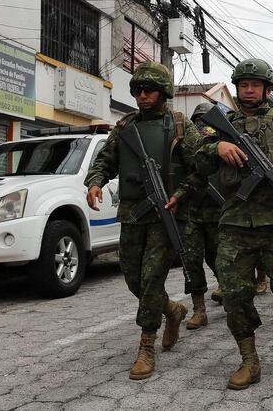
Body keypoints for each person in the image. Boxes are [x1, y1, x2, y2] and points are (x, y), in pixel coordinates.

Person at [195, 58, 273, 390]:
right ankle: (249, 360)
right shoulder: (222, 123)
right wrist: (217, 145)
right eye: (243, 85)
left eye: (255, 84)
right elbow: (195, 156)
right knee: (235, 295)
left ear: (268, 88)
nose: (248, 90)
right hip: (236, 223)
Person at [85, 62, 203, 380]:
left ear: (162, 92)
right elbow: (105, 160)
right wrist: (95, 181)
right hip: (133, 215)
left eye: (148, 90)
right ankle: (172, 310)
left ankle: (146, 345)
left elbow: (199, 169)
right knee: (134, 280)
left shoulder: (179, 125)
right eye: (137, 90)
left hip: (166, 216)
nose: (142, 95)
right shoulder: (125, 127)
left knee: (151, 280)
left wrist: (180, 193)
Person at [184, 102, 222, 326]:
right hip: (191, 209)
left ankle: (226, 289)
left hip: (216, 210)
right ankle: (199, 309)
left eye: (204, 119)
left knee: (218, 257)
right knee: (191, 261)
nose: (202, 125)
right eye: (198, 120)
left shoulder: (219, 138)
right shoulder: (185, 139)